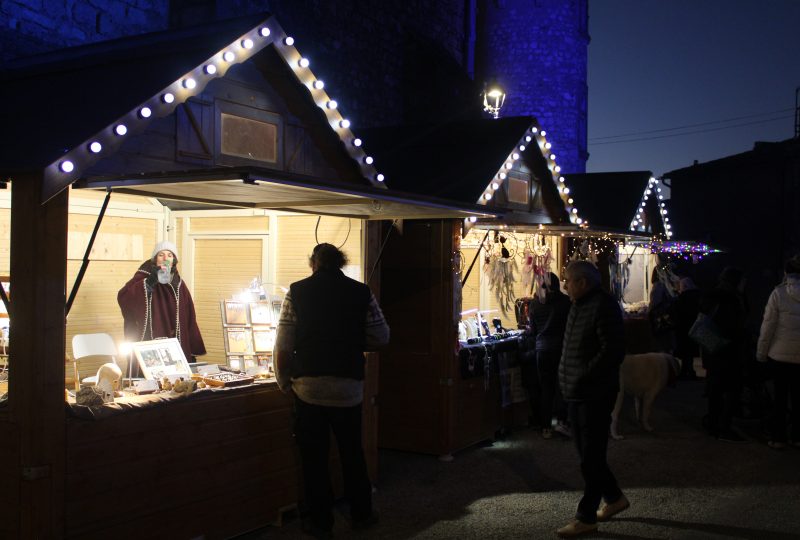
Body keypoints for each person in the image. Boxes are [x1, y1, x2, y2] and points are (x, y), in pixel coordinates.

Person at [274, 243, 390, 539]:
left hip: (308, 388)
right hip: (349, 387)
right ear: (341, 263)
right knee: (352, 453)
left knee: (314, 459)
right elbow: (381, 336)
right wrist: (353, 344)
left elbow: (284, 344)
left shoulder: (297, 291)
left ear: (313, 262)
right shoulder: (361, 292)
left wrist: (284, 380)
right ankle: (362, 514)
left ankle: (320, 522)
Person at [556, 261, 628, 538]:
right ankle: (615, 498)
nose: (565, 285)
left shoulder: (602, 305)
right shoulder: (579, 304)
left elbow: (613, 350)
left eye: (568, 281)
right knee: (588, 455)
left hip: (593, 394)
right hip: (577, 391)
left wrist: (584, 375)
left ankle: (586, 516)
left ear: (583, 283)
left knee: (591, 457)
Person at [117, 241, 205, 363]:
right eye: (161, 255)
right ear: (155, 259)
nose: (165, 258)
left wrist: (190, 347)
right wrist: (148, 284)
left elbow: (189, 315)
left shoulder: (178, 282)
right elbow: (123, 297)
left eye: (169, 255)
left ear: (174, 260)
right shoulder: (143, 277)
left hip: (173, 337)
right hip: (150, 336)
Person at [699, 266, 748, 443]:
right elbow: (733, 328)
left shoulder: (711, 295)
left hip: (710, 348)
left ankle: (713, 423)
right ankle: (723, 428)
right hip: (728, 351)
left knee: (715, 389)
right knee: (731, 390)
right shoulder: (731, 300)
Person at [756, 254, 800, 449]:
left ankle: (778, 437)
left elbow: (768, 327)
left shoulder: (778, 294)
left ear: (786, 272)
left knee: (779, 399)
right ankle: (798, 436)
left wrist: (761, 353)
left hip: (779, 355)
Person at [528, 272, 571, 439]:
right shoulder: (564, 302)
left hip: (541, 350)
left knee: (545, 388)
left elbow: (533, 330)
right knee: (561, 387)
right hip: (560, 348)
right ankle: (561, 422)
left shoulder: (535, 304)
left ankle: (545, 427)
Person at [671, 277, 702, 380]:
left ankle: (685, 371)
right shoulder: (697, 296)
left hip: (683, 327)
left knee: (685, 350)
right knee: (690, 350)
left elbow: (676, 313)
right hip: (694, 326)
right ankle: (690, 370)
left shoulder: (681, 298)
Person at [647, 267, 676, 354]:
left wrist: (649, 312)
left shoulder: (658, 286)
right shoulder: (667, 285)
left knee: (662, 339)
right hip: (667, 315)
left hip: (660, 317)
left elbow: (655, 302)